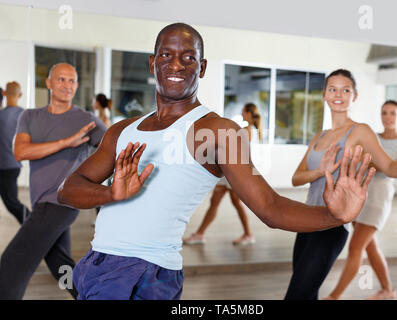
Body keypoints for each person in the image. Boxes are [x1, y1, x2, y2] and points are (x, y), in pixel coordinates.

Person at [57, 23, 375, 300]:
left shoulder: (219, 132)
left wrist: (334, 216)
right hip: (95, 263)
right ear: (152, 64)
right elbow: (68, 190)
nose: (177, 64)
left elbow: (271, 207)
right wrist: (111, 194)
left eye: (189, 57)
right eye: (166, 55)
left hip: (146, 272)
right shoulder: (122, 130)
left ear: (203, 66)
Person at [284, 69, 397, 300]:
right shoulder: (319, 136)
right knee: (304, 292)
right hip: (306, 222)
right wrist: (320, 171)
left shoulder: (361, 132)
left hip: (332, 225)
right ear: (324, 94)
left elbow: (389, 166)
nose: (339, 94)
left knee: (297, 295)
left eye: (346, 90)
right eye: (332, 89)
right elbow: (296, 178)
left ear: (354, 96)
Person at [0, 63, 106, 300]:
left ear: (77, 86)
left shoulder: (86, 119)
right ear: (48, 83)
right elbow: (21, 152)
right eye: (61, 79)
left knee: (11, 265)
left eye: (72, 81)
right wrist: (65, 143)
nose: (67, 86)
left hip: (61, 203)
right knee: (61, 266)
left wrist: (94, 182)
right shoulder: (30, 116)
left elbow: (113, 148)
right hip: (41, 202)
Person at [324, 100, 397, 300]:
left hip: (379, 199)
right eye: (384, 113)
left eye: (393, 113)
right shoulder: (371, 137)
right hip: (359, 196)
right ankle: (388, 291)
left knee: (355, 247)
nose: (388, 117)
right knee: (370, 245)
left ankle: (334, 296)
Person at [183, 102, 262, 245]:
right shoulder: (253, 131)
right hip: (231, 173)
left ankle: (247, 234)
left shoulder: (246, 130)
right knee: (220, 202)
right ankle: (200, 234)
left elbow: (234, 150)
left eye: (243, 111)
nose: (242, 114)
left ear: (249, 113)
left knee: (226, 203)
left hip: (232, 173)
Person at [0, 81, 31, 224]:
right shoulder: (24, 115)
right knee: (10, 201)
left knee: (11, 202)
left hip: (6, 166)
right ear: (20, 95)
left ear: (4, 93)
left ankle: (32, 224)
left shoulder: (1, 115)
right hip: (13, 165)